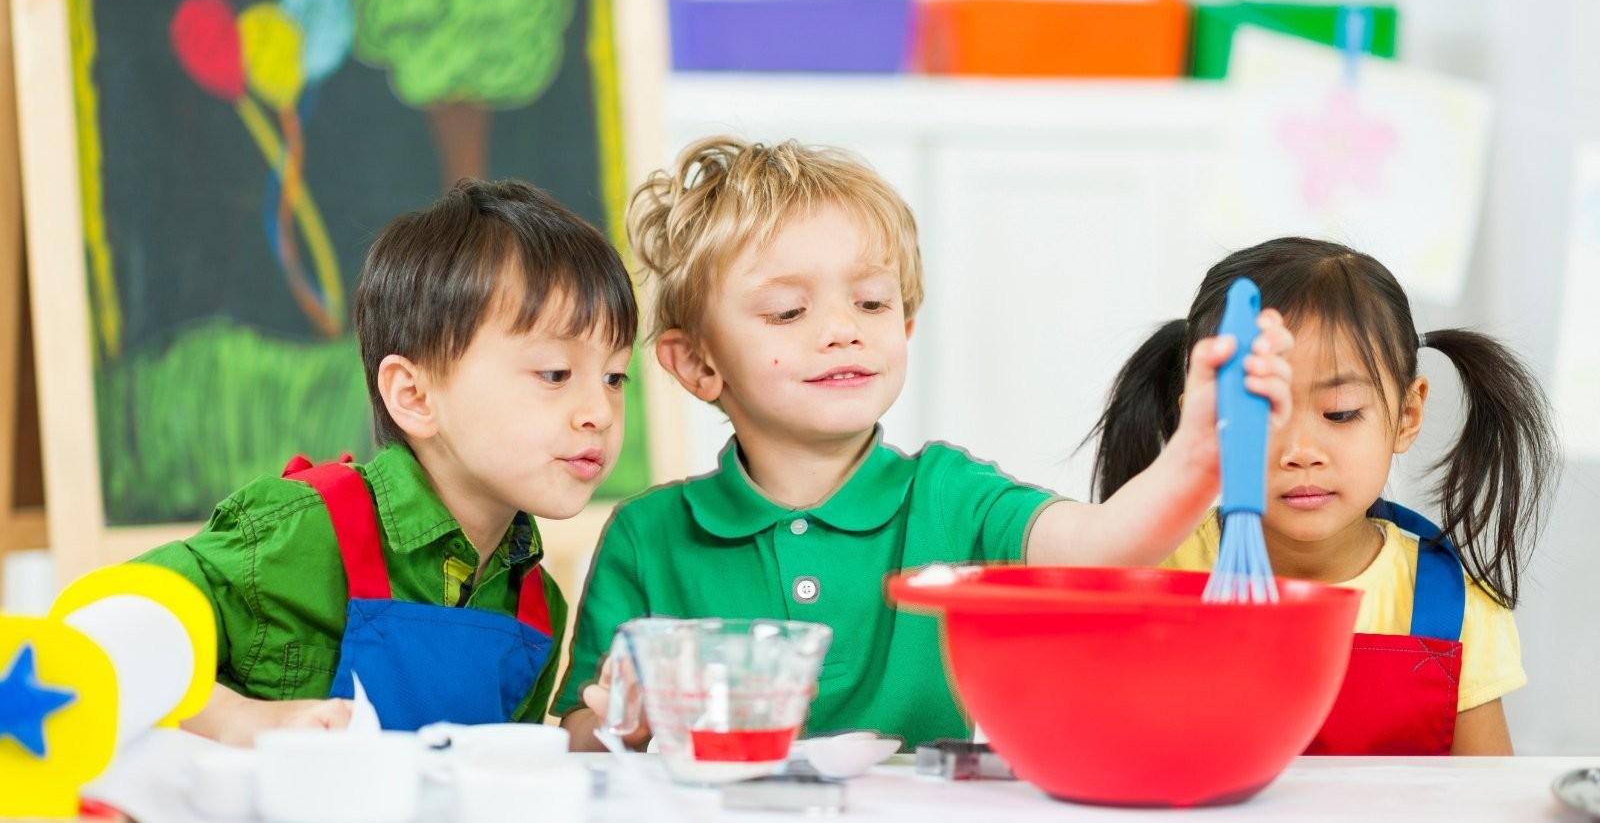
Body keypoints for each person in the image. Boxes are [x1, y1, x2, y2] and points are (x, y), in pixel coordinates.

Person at [555, 136, 1294, 751]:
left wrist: (1198, 455)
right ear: (698, 364)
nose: (843, 327)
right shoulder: (647, 539)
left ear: (904, 326)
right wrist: (628, 721)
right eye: (788, 310)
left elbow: (1102, 547)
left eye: (872, 302)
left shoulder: (949, 495)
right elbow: (581, 732)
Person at [139, 178, 638, 745]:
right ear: (415, 396)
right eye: (555, 373)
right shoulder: (299, 531)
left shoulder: (536, 609)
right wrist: (234, 720)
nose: (599, 410)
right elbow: (106, 624)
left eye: (615, 376)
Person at [1089, 236, 1558, 755]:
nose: (1302, 452)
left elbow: (1488, 800)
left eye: (1340, 413)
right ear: (1205, 420)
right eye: (1264, 412)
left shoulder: (1454, 608)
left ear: (1407, 415)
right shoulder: (1158, 578)